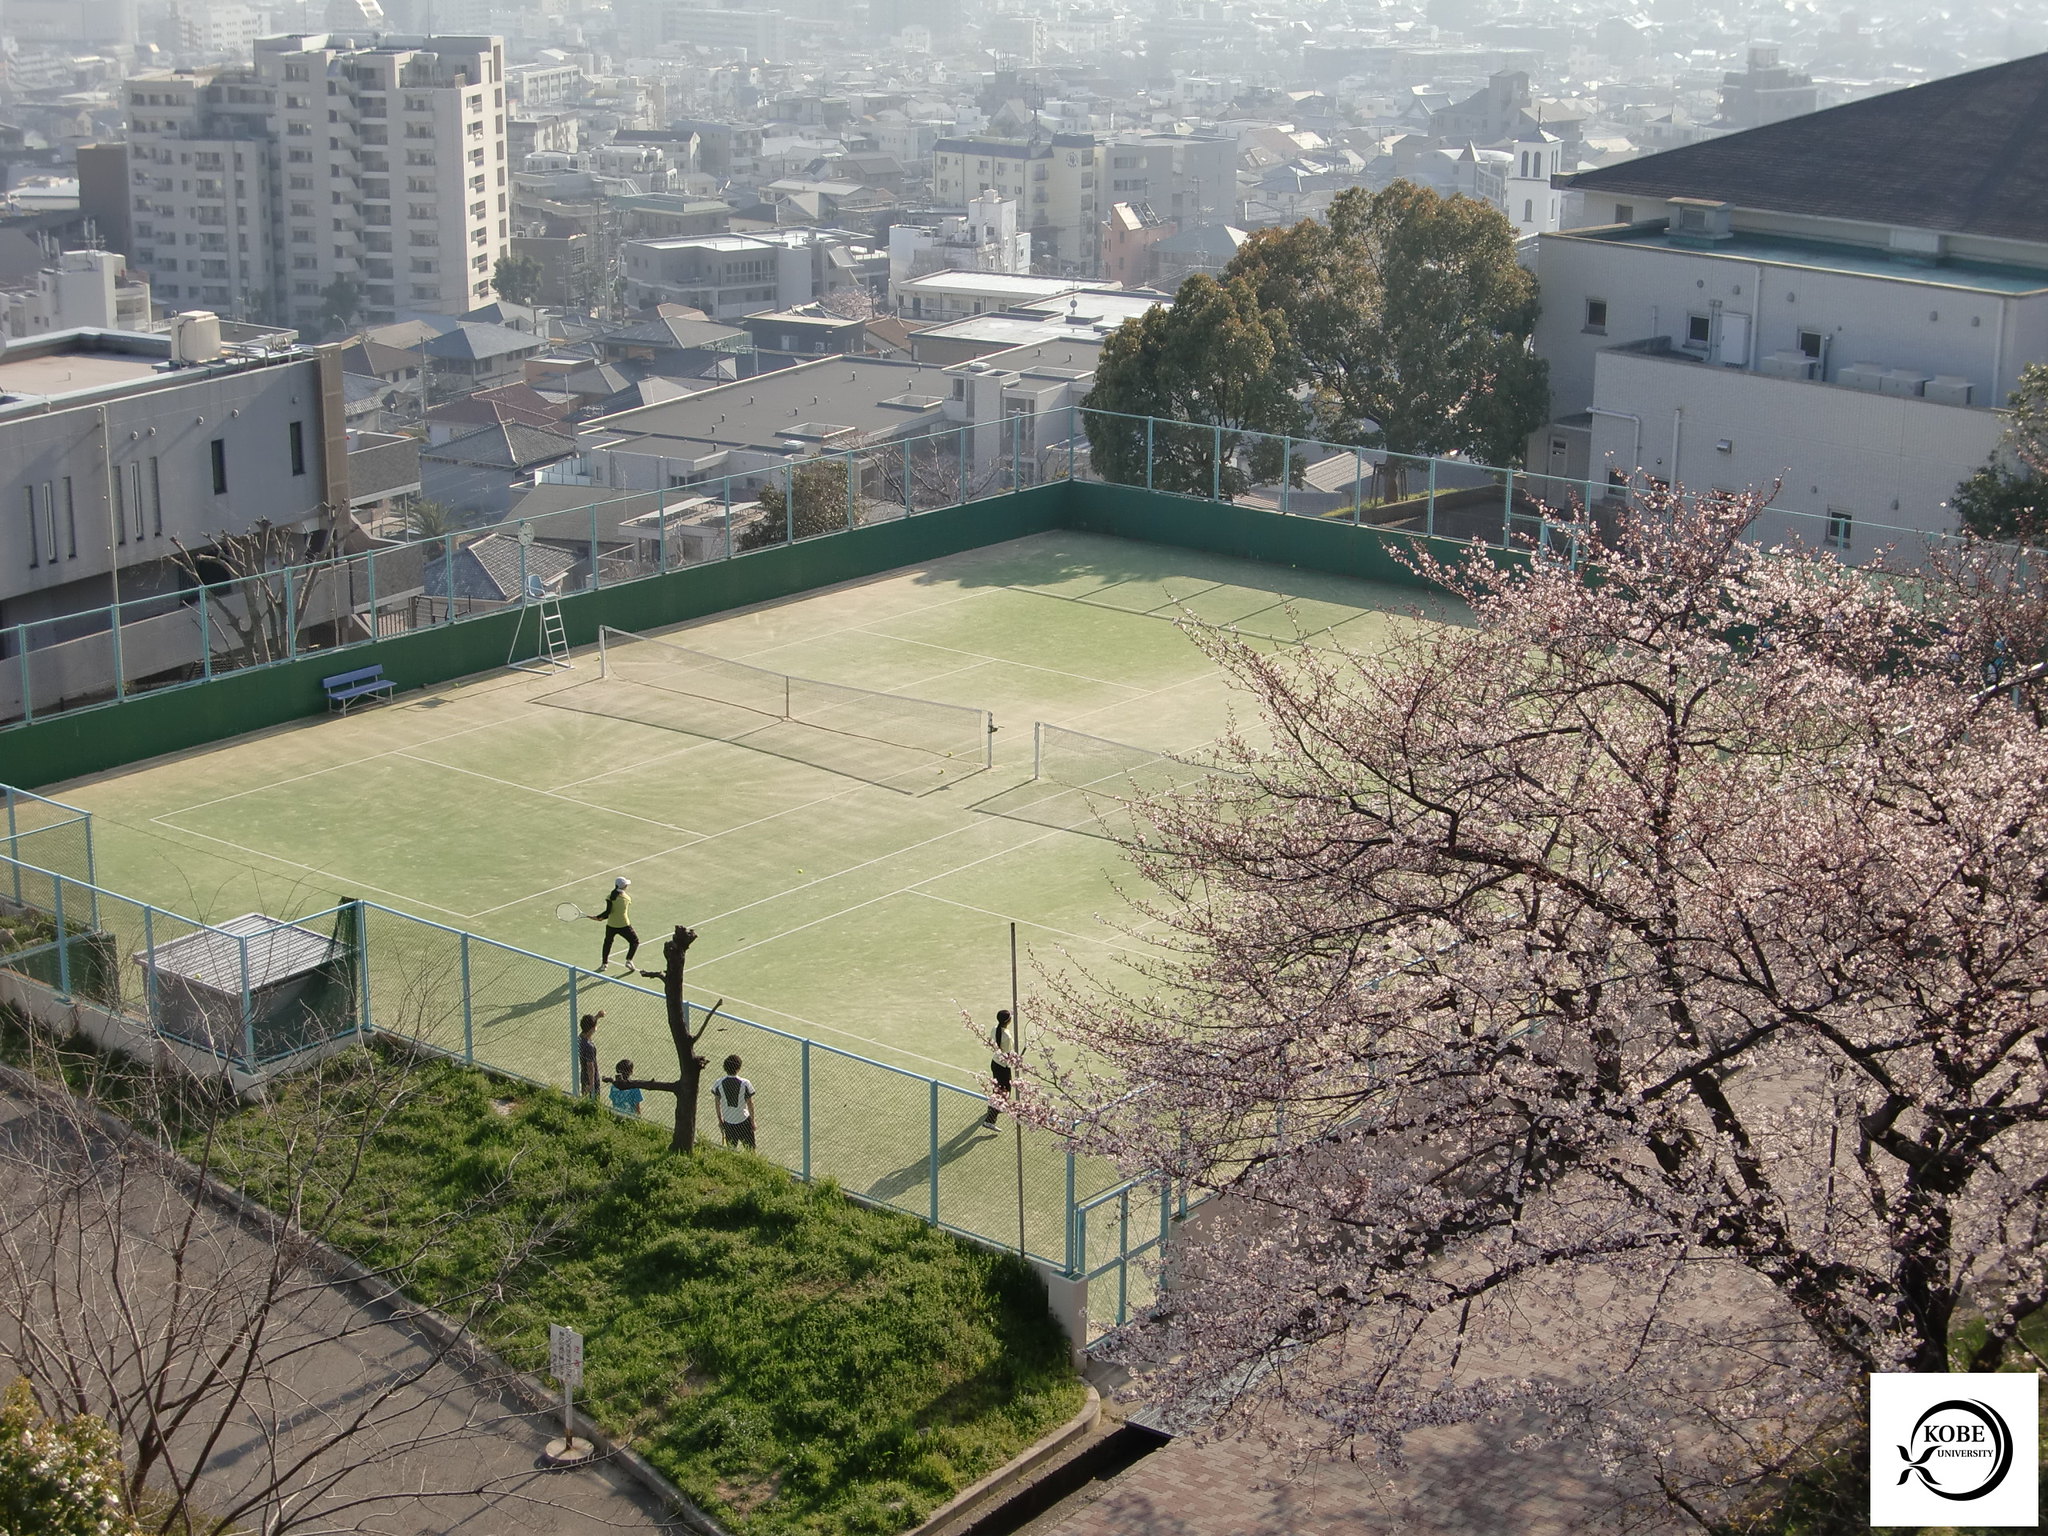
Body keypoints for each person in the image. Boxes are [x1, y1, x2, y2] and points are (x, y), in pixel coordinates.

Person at [588, 877, 637, 970]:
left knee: (607, 943)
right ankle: (629, 960)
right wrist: (599, 917)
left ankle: (604, 964)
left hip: (611, 925)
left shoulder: (609, 897)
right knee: (635, 941)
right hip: (624, 925)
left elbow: (608, 912)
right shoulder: (627, 899)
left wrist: (599, 917)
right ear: (624, 886)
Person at [712, 1055, 756, 1148]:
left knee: (731, 1149)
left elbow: (717, 1103)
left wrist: (720, 1120)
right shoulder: (745, 1083)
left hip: (728, 1122)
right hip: (744, 1121)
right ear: (739, 1068)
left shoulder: (718, 1083)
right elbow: (750, 1104)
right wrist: (752, 1121)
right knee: (750, 1150)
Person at [982, 1009, 1015, 1127]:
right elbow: (1008, 1052)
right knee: (1004, 1093)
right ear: (1008, 1021)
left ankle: (992, 1108)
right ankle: (990, 1120)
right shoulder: (1007, 1035)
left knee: (997, 1089)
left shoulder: (994, 1029)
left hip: (995, 1063)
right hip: (1003, 1066)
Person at [577, 1011, 604, 1099]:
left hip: (583, 1075)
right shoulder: (589, 1047)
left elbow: (588, 1026)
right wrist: (592, 1084)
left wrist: (597, 1017)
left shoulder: (580, 1038)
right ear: (592, 1029)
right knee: (593, 1099)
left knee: (584, 1096)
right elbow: (590, 1066)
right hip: (591, 1078)